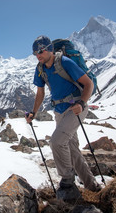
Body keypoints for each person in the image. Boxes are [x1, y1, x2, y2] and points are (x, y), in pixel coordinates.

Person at [25, 35, 101, 200]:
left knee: (57, 142)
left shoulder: (65, 62)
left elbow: (88, 84)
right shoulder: (40, 69)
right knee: (72, 150)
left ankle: (67, 179)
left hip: (75, 108)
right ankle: (93, 187)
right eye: (35, 53)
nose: (38, 55)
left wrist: (81, 102)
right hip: (59, 111)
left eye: (41, 51)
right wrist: (34, 112)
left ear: (50, 49)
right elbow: (40, 92)